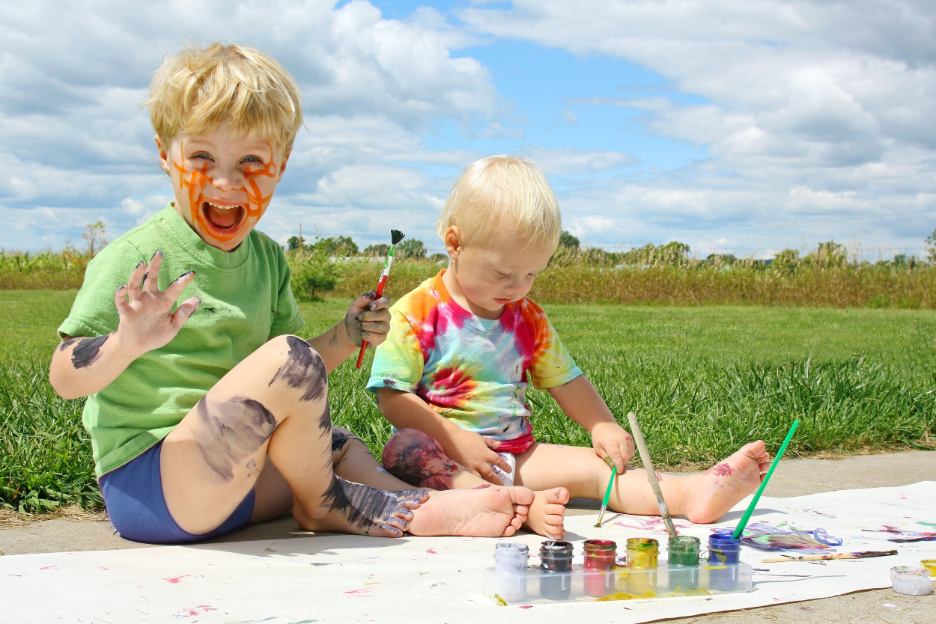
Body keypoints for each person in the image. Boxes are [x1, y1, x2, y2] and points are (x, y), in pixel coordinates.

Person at [49, 43, 533, 545]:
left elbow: (290, 382)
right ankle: (329, 506)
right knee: (290, 364)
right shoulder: (138, 256)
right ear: (163, 154)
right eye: (202, 157)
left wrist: (346, 335)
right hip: (156, 488)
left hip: (237, 482)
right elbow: (64, 376)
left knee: (337, 444)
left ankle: (413, 505)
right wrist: (125, 343)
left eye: (251, 161)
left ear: (281, 165)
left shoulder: (265, 258)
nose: (225, 181)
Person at [367, 155, 771, 539]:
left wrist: (601, 424)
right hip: (442, 457)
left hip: (517, 456)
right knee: (404, 448)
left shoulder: (526, 318)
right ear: (455, 244)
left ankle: (689, 495)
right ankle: (508, 507)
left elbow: (567, 381)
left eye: (531, 274)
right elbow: (392, 397)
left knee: (598, 470)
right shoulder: (417, 313)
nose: (517, 288)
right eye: (504, 273)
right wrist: (456, 439)